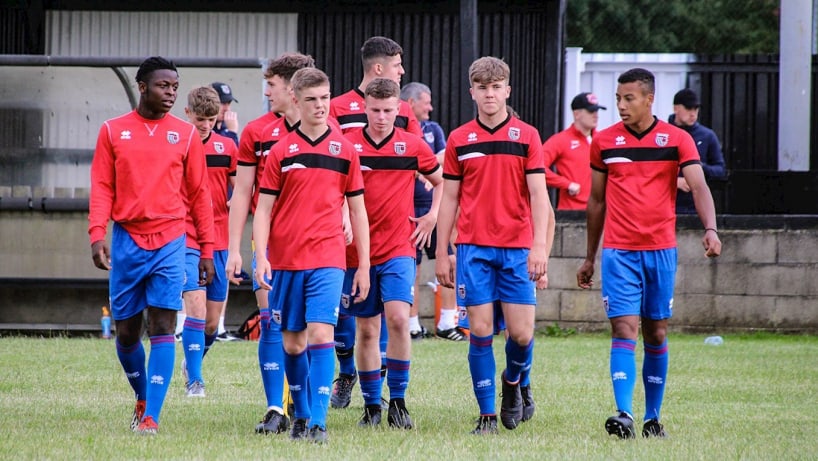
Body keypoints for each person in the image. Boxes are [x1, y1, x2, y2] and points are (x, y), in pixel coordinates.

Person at [577, 68, 722, 439]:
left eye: (629, 99)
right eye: (618, 99)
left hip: (660, 251)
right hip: (619, 252)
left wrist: (710, 229)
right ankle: (623, 412)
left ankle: (652, 417)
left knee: (655, 332)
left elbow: (699, 185)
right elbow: (596, 202)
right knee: (623, 327)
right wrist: (590, 256)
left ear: (649, 98)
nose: (621, 106)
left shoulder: (676, 139)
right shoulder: (604, 142)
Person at [88, 56, 215, 435]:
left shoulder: (187, 135)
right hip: (127, 240)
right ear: (142, 86)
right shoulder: (113, 131)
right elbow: (101, 187)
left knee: (163, 323)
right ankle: (142, 396)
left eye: (175, 87)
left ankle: (151, 417)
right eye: (163, 86)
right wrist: (98, 234)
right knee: (127, 333)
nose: (171, 92)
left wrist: (206, 249)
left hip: (172, 240)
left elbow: (200, 195)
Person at [253, 67, 371, 444]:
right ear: (296, 101)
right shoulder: (281, 152)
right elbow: (263, 210)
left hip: (329, 257)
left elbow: (358, 212)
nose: (320, 106)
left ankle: (318, 421)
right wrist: (262, 257)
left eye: (325, 98)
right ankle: (300, 415)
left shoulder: (345, 150)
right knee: (292, 343)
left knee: (322, 333)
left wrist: (364, 264)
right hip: (286, 260)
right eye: (312, 100)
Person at [435, 56, 551, 434]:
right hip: (474, 250)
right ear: (472, 92)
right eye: (482, 87)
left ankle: (514, 382)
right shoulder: (459, 138)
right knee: (481, 332)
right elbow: (449, 198)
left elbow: (538, 196)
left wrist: (539, 248)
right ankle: (486, 416)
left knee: (521, 335)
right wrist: (442, 251)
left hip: (518, 250)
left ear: (507, 91)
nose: (489, 94)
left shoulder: (527, 136)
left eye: (496, 87)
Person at [328, 35, 421, 410]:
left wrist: (428, 213)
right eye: (399, 65)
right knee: (349, 324)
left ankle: (389, 397)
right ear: (380, 67)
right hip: (346, 239)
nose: (403, 71)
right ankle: (348, 373)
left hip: (395, 234)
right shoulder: (334, 108)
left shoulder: (404, 113)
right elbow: (331, 172)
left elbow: (416, 158)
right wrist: (340, 212)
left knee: (394, 317)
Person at [344, 78, 443, 428]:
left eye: (389, 110)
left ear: (399, 110)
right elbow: (336, 188)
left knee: (400, 319)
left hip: (400, 246)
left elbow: (442, 180)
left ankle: (398, 402)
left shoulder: (413, 146)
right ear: (365, 109)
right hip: (357, 252)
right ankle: (372, 406)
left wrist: (431, 215)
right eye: (375, 110)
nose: (382, 117)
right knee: (367, 330)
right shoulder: (348, 146)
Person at [226, 52, 315, 435]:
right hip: (271, 245)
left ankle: (305, 406)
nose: (266, 93)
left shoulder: (325, 129)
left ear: (293, 89)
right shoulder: (257, 132)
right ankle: (276, 407)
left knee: (311, 330)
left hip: (315, 245)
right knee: (271, 322)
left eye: (272, 85)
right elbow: (242, 192)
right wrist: (233, 249)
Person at [179, 86, 238, 398]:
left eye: (211, 119)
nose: (205, 125)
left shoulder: (227, 148)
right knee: (196, 310)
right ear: (188, 114)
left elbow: (238, 190)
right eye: (200, 119)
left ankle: (193, 362)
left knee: (212, 324)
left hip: (219, 238)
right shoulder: (176, 145)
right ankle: (195, 382)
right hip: (187, 236)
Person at [400, 81, 464, 341]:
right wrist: (425, 164)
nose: (431, 107)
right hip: (408, 210)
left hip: (435, 208)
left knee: (449, 260)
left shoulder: (433, 129)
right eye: (426, 101)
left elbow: (446, 156)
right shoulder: (395, 128)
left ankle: (447, 324)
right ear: (412, 103)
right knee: (411, 267)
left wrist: (423, 166)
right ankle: (412, 326)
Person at [542, 92, 606, 210]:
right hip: (572, 213)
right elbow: (537, 167)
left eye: (597, 111)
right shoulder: (561, 140)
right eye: (591, 111)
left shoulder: (603, 140)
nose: (596, 115)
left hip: (602, 212)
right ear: (577, 114)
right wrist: (566, 184)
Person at [669, 88, 727, 214]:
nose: (693, 114)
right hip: (666, 207)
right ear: (676, 108)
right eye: (689, 109)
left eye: (696, 109)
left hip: (696, 208)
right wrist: (674, 181)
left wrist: (699, 166)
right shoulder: (663, 134)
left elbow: (721, 170)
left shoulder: (707, 136)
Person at [211, 82, 240, 146]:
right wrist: (231, 133)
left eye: (229, 103)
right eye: (222, 103)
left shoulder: (226, 126)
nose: (227, 109)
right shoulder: (204, 128)